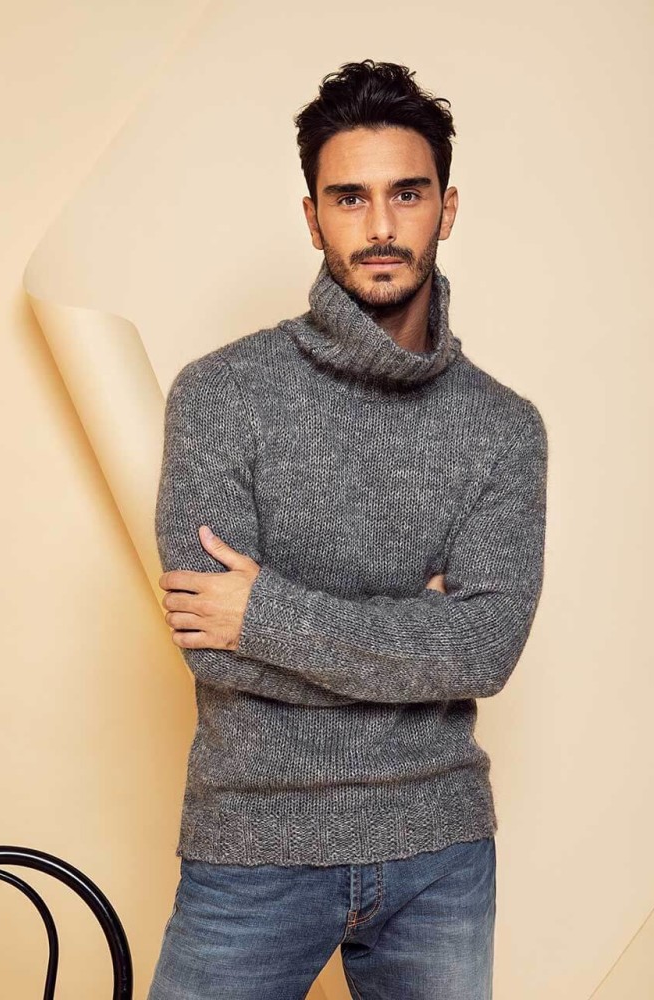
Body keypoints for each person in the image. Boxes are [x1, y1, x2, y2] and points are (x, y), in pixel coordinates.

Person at [147, 58, 548, 1000]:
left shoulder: (504, 428)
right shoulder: (220, 394)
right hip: (253, 844)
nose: (379, 227)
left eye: (407, 194)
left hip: (441, 852)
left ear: (447, 208)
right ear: (312, 215)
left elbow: (483, 649)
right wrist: (417, 632)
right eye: (349, 198)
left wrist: (264, 615)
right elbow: (211, 642)